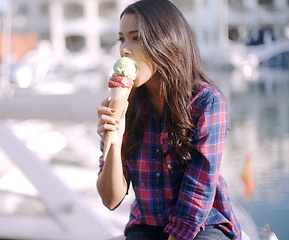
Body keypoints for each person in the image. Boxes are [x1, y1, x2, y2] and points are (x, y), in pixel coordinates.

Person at [96, 0, 242, 239]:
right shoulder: (123, 104)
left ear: (166, 41)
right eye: (121, 39)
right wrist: (113, 139)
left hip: (203, 226)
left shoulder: (206, 102)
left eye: (136, 38)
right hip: (146, 226)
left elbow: (197, 194)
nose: (124, 49)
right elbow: (110, 199)